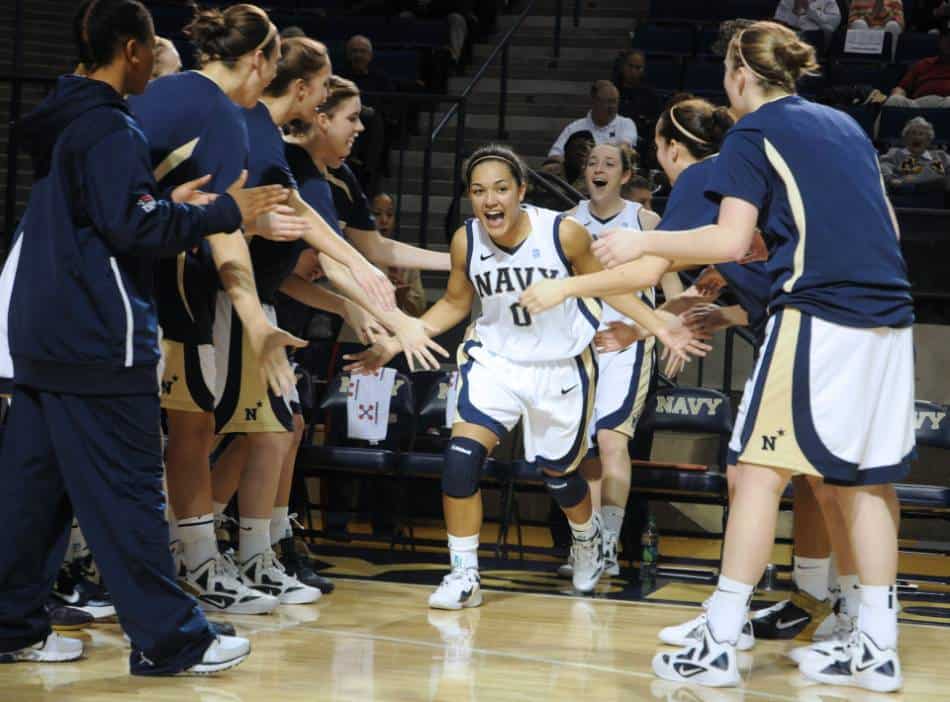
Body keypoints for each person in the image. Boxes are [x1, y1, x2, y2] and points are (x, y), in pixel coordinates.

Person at [523, 21, 915, 693]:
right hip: (891, 315)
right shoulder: (846, 126)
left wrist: (643, 249)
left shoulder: (752, 133)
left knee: (754, 471)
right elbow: (891, 226)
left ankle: (720, 634)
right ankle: (875, 643)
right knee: (865, 480)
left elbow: (732, 241)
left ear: (738, 74)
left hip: (820, 314)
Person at [0, 0, 292, 674]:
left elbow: (109, 217)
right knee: (130, 491)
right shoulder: (108, 126)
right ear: (130, 51)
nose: (159, 64)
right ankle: (172, 640)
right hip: (97, 335)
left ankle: (12, 622)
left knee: (30, 494)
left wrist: (171, 208)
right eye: (152, 48)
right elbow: (133, 229)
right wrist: (224, 210)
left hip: (42, 327)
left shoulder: (70, 118)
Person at [344, 144, 709, 609]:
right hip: (495, 360)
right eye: (478, 191)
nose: (489, 200)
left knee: (559, 476)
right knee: (460, 458)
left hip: (560, 367)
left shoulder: (564, 234)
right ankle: (464, 573)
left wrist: (658, 326)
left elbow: (610, 288)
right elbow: (457, 303)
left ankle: (586, 535)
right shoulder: (467, 239)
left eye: (500, 189)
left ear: (521, 190)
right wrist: (396, 341)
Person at [128, 3, 321, 617]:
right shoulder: (221, 111)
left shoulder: (183, 96)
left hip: (156, 278)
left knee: (191, 427)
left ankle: (191, 559)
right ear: (261, 60)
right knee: (169, 430)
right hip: (161, 284)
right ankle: (180, 563)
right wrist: (256, 316)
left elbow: (207, 211)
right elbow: (222, 225)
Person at [555, 142, 683, 580]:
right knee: (583, 450)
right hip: (579, 343)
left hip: (626, 345)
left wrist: (647, 330)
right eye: (592, 162)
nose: (599, 168)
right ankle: (585, 545)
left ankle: (609, 544)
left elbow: (677, 296)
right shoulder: (567, 223)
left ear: (626, 175)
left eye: (610, 163)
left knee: (612, 441)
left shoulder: (644, 222)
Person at [547, 80, 638, 163]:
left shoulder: (626, 124)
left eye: (615, 101)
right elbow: (554, 155)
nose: (612, 107)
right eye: (608, 101)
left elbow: (625, 148)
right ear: (594, 101)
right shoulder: (574, 128)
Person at [372, 192, 428, 317]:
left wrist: (404, 295)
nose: (384, 220)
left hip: (396, 330)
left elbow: (420, 309)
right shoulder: (354, 254)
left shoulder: (407, 259)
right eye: (377, 214)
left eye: (390, 214)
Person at [883, 19, 950, 106]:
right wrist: (897, 95)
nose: (949, 41)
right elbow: (902, 87)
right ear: (940, 41)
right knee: (894, 100)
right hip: (917, 105)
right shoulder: (924, 64)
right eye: (946, 37)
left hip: (945, 105)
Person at [880, 115, 950, 190]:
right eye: (913, 133)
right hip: (907, 195)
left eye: (921, 134)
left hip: (937, 195)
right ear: (905, 138)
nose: (916, 137)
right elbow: (884, 165)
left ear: (928, 141)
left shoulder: (940, 155)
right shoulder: (895, 153)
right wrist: (891, 179)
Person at [613, 49, 662, 133]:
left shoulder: (651, 96)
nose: (633, 71)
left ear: (643, 69)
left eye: (638, 68)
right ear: (622, 66)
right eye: (630, 66)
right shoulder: (611, 91)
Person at [541, 130, 594, 194]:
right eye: (579, 148)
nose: (582, 155)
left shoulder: (594, 179)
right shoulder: (547, 172)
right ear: (566, 151)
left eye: (586, 153)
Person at [774, 0, 841, 38]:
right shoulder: (787, 1)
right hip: (789, 36)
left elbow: (832, 27)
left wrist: (809, 9)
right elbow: (779, 23)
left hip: (814, 38)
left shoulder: (829, 1)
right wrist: (795, 10)